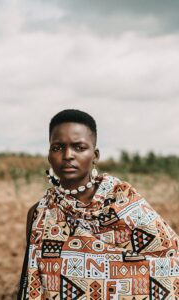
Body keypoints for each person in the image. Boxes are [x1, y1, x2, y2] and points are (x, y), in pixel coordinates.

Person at [17, 109, 179, 300]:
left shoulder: (124, 203)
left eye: (79, 147)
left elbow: (169, 259)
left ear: (95, 155)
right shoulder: (39, 213)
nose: (68, 155)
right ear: (49, 155)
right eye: (58, 147)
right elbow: (30, 276)